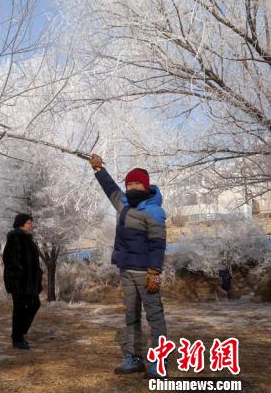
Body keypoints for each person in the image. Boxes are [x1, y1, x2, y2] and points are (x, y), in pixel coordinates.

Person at [90, 154, 167, 379]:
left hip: (148, 274)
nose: (132, 187)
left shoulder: (153, 210)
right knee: (131, 315)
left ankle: (158, 362)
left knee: (155, 316)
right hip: (126, 272)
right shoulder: (123, 204)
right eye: (129, 184)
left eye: (136, 183)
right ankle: (134, 358)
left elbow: (158, 245)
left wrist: (155, 272)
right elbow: (110, 188)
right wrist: (98, 170)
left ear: (145, 185)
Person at [2, 214, 43, 350]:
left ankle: (19, 332)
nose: (31, 225)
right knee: (19, 309)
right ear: (20, 224)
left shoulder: (27, 239)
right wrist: (17, 276)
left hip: (30, 283)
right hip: (19, 283)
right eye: (28, 223)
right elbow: (10, 259)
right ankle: (17, 339)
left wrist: (38, 274)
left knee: (35, 304)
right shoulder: (15, 237)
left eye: (31, 223)